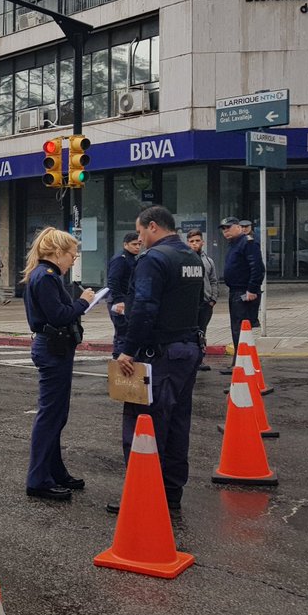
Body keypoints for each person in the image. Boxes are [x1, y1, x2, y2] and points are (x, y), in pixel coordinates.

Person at [113, 205, 204, 514]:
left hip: (159, 355)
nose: (141, 239)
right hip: (187, 349)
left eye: (140, 233)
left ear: (153, 227)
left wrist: (128, 349)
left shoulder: (154, 260)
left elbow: (144, 308)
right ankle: (171, 492)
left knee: (144, 423)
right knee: (178, 423)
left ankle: (142, 494)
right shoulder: (192, 258)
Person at [22, 227, 95, 501]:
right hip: (53, 348)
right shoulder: (46, 276)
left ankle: (54, 471)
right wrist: (84, 303)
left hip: (56, 348)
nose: (74, 259)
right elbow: (59, 314)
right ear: (57, 252)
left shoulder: (45, 275)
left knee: (56, 414)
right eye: (72, 254)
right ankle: (38, 478)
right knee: (50, 415)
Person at [218, 216, 264, 372]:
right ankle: (238, 362)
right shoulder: (235, 244)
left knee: (241, 329)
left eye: (228, 228)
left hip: (243, 292)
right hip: (235, 291)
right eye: (223, 229)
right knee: (236, 328)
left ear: (238, 227)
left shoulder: (247, 243)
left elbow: (257, 268)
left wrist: (251, 289)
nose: (226, 232)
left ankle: (241, 364)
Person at [187, 228, 219, 371]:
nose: (195, 244)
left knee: (202, 332)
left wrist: (213, 299)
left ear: (203, 242)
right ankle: (189, 359)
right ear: (187, 243)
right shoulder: (184, 259)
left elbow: (213, 280)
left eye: (197, 241)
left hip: (205, 302)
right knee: (189, 332)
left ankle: (200, 360)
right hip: (189, 304)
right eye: (192, 241)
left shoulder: (208, 260)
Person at [105, 232, 141, 357]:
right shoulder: (121, 259)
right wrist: (119, 300)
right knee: (123, 333)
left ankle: (118, 362)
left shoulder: (132, 258)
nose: (137, 247)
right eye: (134, 244)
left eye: (139, 244)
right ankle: (119, 363)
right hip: (119, 301)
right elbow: (113, 280)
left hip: (127, 300)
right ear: (125, 244)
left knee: (123, 333)